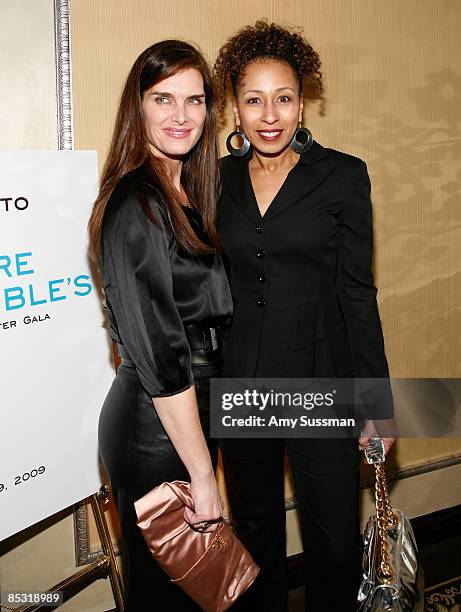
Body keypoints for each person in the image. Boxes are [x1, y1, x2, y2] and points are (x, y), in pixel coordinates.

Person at [213, 20, 395, 612]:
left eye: (284, 98)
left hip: (321, 376)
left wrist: (377, 401)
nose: (270, 115)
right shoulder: (215, 179)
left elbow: (359, 293)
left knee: (334, 544)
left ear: (302, 101)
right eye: (254, 99)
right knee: (256, 534)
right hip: (241, 381)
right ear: (233, 107)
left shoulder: (343, 175)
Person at [88, 40, 232, 611]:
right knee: (168, 598)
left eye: (194, 100)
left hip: (185, 418)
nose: (180, 115)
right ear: (138, 107)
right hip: (156, 430)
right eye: (163, 98)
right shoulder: (137, 203)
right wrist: (201, 472)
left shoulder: (182, 192)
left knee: (197, 590)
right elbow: (163, 354)